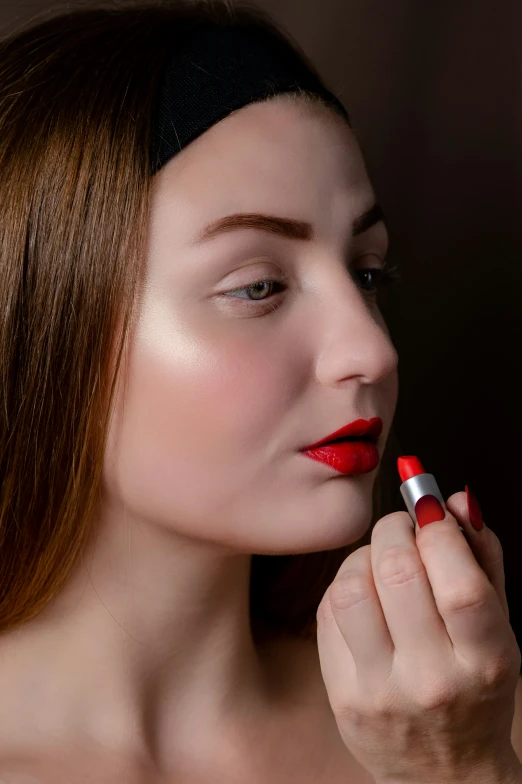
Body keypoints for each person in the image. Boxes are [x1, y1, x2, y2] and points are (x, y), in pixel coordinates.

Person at [2, 0, 501, 782]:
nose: (372, 349)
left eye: (368, 274)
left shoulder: (477, 729)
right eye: (259, 285)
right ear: (44, 329)